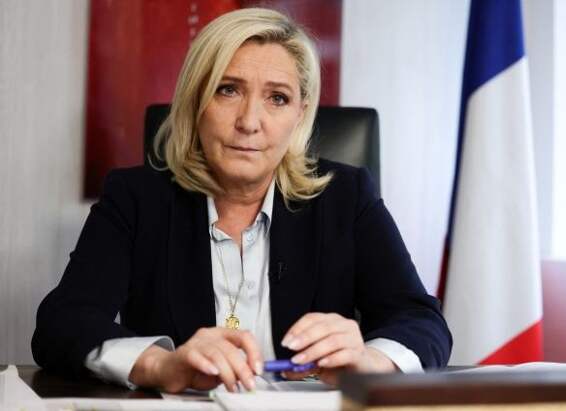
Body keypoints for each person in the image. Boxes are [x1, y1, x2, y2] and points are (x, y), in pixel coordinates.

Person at [32, 8, 451, 393]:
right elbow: (62, 324)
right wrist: (161, 365)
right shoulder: (136, 199)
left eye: (278, 98)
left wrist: (370, 361)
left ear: (300, 114)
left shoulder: (347, 196)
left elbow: (421, 320)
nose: (249, 122)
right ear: (196, 101)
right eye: (228, 90)